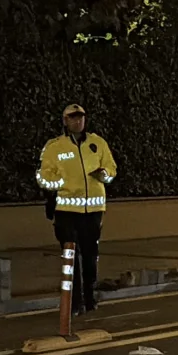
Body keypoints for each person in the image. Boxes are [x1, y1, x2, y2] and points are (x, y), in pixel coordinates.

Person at [37, 103, 117, 313]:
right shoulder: (54, 147)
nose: (78, 121)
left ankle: (90, 299)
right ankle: (74, 302)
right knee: (71, 258)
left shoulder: (97, 143)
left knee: (90, 257)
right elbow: (44, 176)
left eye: (81, 117)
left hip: (93, 211)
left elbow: (112, 168)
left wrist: (104, 174)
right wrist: (61, 183)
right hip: (67, 211)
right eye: (73, 117)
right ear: (65, 121)